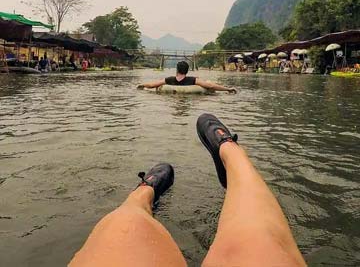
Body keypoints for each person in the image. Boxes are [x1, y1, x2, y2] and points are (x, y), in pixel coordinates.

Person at [69, 114, 306, 266]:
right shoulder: (193, 82)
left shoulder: (171, 82)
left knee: (126, 223)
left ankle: (144, 192)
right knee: (260, 240)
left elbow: (156, 83)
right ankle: (231, 152)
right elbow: (206, 83)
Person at [137, 61, 237, 93]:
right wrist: (227, 89)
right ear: (187, 70)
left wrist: (141, 85)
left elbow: (152, 85)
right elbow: (210, 86)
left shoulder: (169, 80)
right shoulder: (192, 80)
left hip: (171, 92)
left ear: (177, 70)